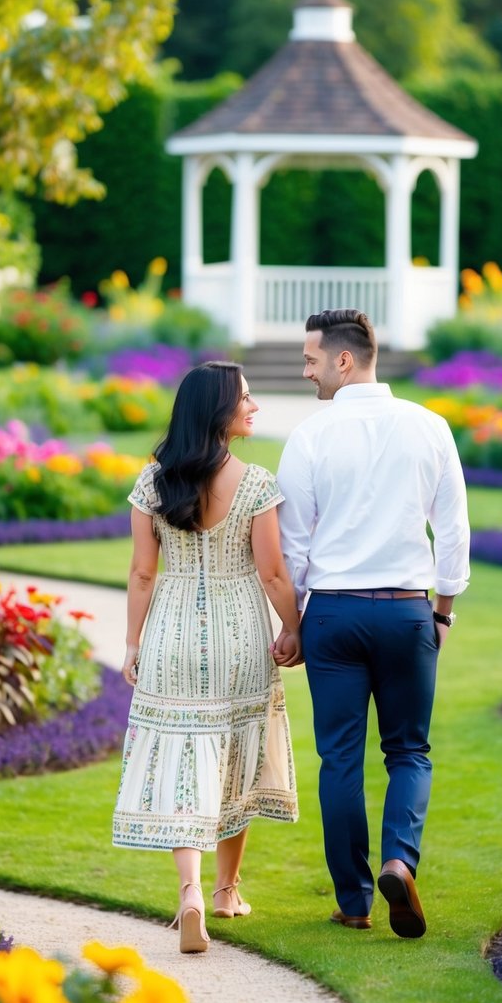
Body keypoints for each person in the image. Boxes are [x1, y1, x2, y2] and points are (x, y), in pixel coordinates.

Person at [276, 309, 470, 939]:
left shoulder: (309, 437)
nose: (305, 371)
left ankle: (355, 901)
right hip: (405, 608)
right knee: (409, 751)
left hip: (333, 612)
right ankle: (398, 861)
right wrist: (442, 609)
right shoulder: (430, 427)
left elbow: (293, 546)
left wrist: (297, 621)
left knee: (339, 760)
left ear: (343, 359)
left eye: (310, 360)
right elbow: (454, 530)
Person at [112, 361, 301, 954]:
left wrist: (133, 643)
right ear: (218, 411)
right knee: (234, 752)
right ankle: (227, 890)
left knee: (185, 756)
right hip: (238, 633)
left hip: (169, 630)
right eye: (245, 398)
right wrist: (294, 629)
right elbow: (272, 574)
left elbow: (144, 572)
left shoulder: (151, 483)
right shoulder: (255, 483)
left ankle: (191, 891)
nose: (254, 407)